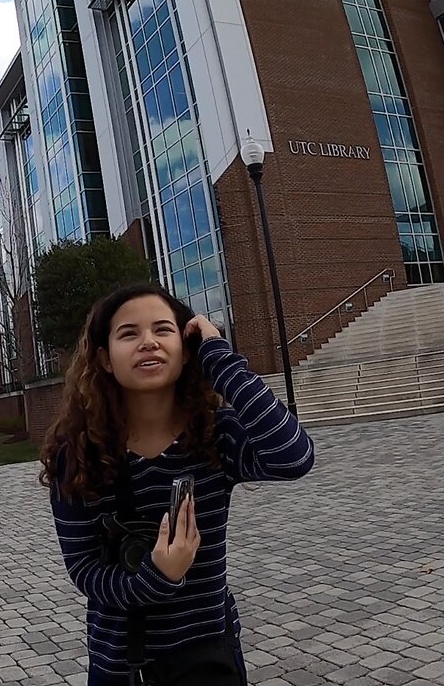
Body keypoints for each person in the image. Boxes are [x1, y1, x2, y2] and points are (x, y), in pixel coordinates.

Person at [40, 282, 316, 685]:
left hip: (207, 655)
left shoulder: (215, 436)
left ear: (186, 351)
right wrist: (159, 576)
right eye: (129, 333)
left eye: (163, 330)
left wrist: (218, 358)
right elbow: (84, 570)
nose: (148, 342)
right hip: (123, 663)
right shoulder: (78, 454)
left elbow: (294, 456)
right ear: (104, 358)